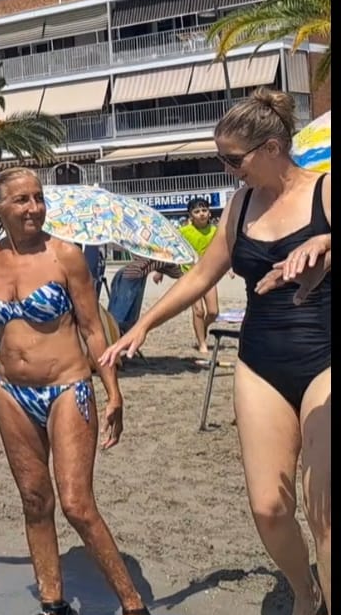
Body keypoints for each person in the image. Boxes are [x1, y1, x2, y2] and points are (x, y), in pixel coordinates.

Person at [104, 89, 329, 615]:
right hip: (261, 362)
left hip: (326, 357)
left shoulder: (324, 191)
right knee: (269, 507)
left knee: (325, 516)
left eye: (234, 159)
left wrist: (326, 244)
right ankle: (305, 591)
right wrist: (144, 327)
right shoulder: (241, 204)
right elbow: (204, 274)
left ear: (272, 148)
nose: (228, 170)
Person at [0, 168, 146, 615]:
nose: (33, 208)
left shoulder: (65, 256)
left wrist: (113, 390)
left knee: (77, 503)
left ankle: (132, 604)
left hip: (67, 389)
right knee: (35, 501)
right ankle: (52, 601)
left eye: (38, 198)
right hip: (10, 392)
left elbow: (93, 328)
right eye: (21, 200)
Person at [180, 197, 221, 354]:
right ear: (191, 215)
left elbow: (223, 250)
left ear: (209, 213)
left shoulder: (216, 231)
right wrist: (159, 271)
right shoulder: (184, 232)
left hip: (210, 274)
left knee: (213, 312)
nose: (201, 214)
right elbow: (174, 250)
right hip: (190, 275)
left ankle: (202, 328)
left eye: (204, 210)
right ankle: (202, 343)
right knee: (198, 310)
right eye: (197, 211)